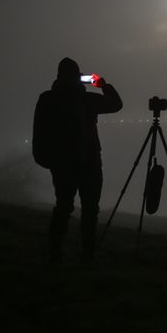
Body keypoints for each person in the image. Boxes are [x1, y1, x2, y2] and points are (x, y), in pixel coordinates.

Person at [33, 58, 122, 263]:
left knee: (63, 205)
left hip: (61, 163)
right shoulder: (88, 100)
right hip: (89, 162)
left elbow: (39, 131)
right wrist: (103, 84)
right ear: (78, 77)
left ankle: (55, 251)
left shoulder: (47, 99)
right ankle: (87, 254)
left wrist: (44, 158)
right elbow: (116, 104)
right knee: (90, 209)